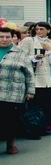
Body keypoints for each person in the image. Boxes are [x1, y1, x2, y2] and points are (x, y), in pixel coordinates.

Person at [0, 26, 35, 154]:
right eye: (1, 37)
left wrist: (30, 91)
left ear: (12, 38)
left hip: (13, 93)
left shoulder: (20, 53)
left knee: (10, 120)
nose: (4, 39)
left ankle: (11, 144)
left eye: (7, 37)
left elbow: (29, 73)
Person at [17, 21, 51, 135]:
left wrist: (50, 51)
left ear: (48, 30)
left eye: (42, 29)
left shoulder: (49, 42)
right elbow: (20, 57)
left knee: (44, 104)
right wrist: (35, 57)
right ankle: (32, 129)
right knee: (33, 104)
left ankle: (40, 127)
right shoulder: (29, 40)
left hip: (46, 77)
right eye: (37, 29)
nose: (39, 31)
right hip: (34, 76)